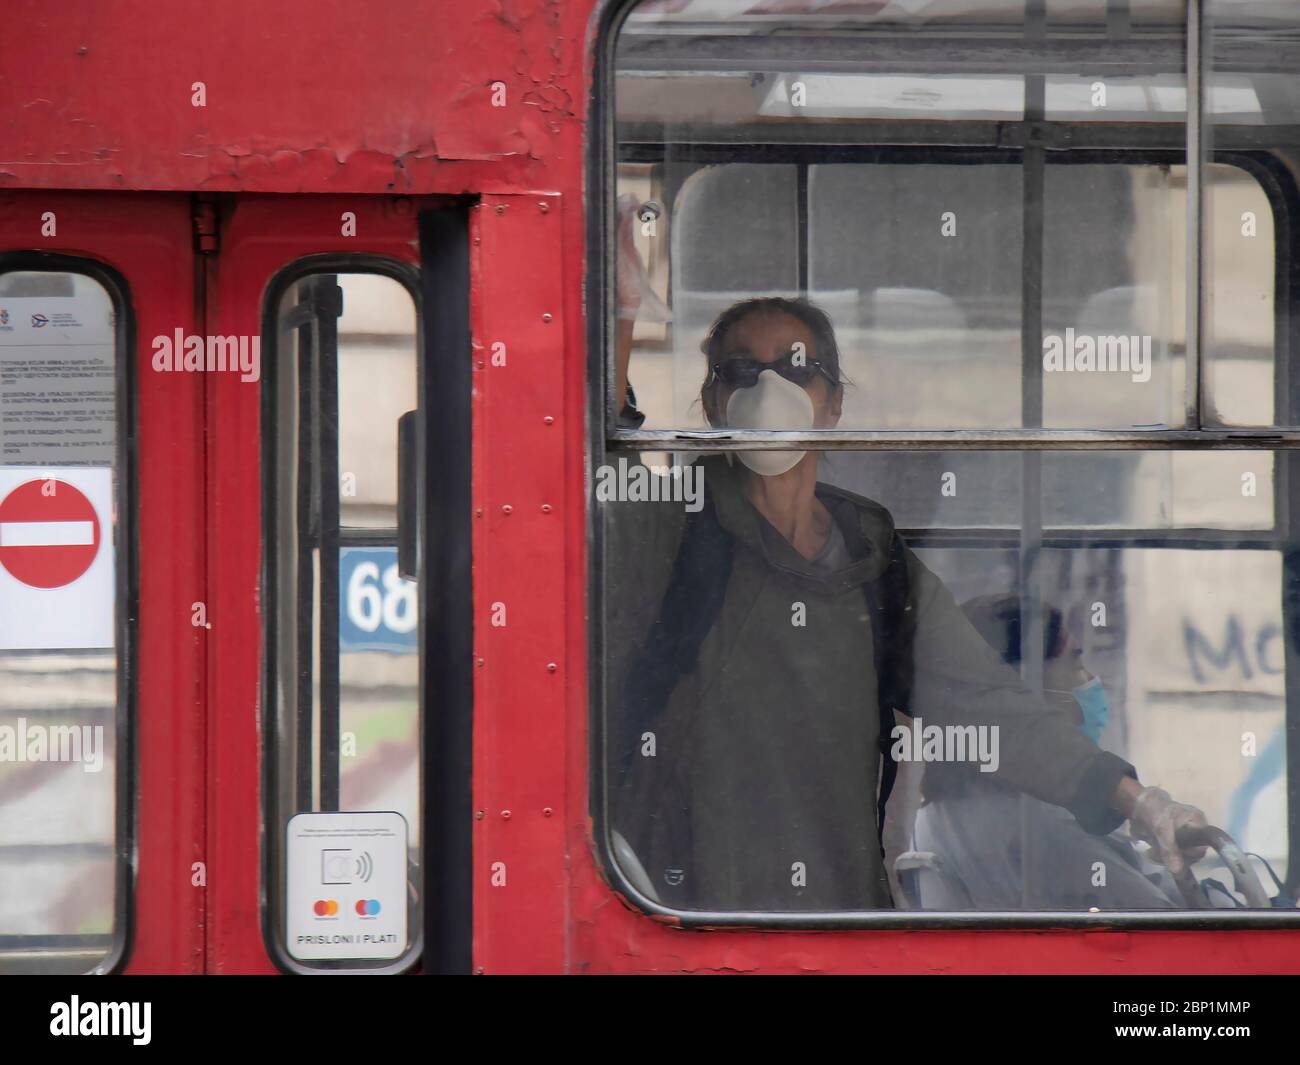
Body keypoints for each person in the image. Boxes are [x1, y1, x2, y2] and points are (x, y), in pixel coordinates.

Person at [605, 198, 1207, 912]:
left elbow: (988, 705)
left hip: (836, 913)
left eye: (797, 368)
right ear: (710, 401)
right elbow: (583, 472)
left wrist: (1140, 803)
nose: (769, 390)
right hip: (676, 915)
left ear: (833, 403)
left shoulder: (872, 554)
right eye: (742, 370)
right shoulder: (670, 525)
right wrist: (617, 315)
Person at [911, 594, 1184, 910]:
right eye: (1076, 662)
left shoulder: (934, 816)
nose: (1090, 681)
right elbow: (1163, 919)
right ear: (1029, 689)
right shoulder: (1041, 823)